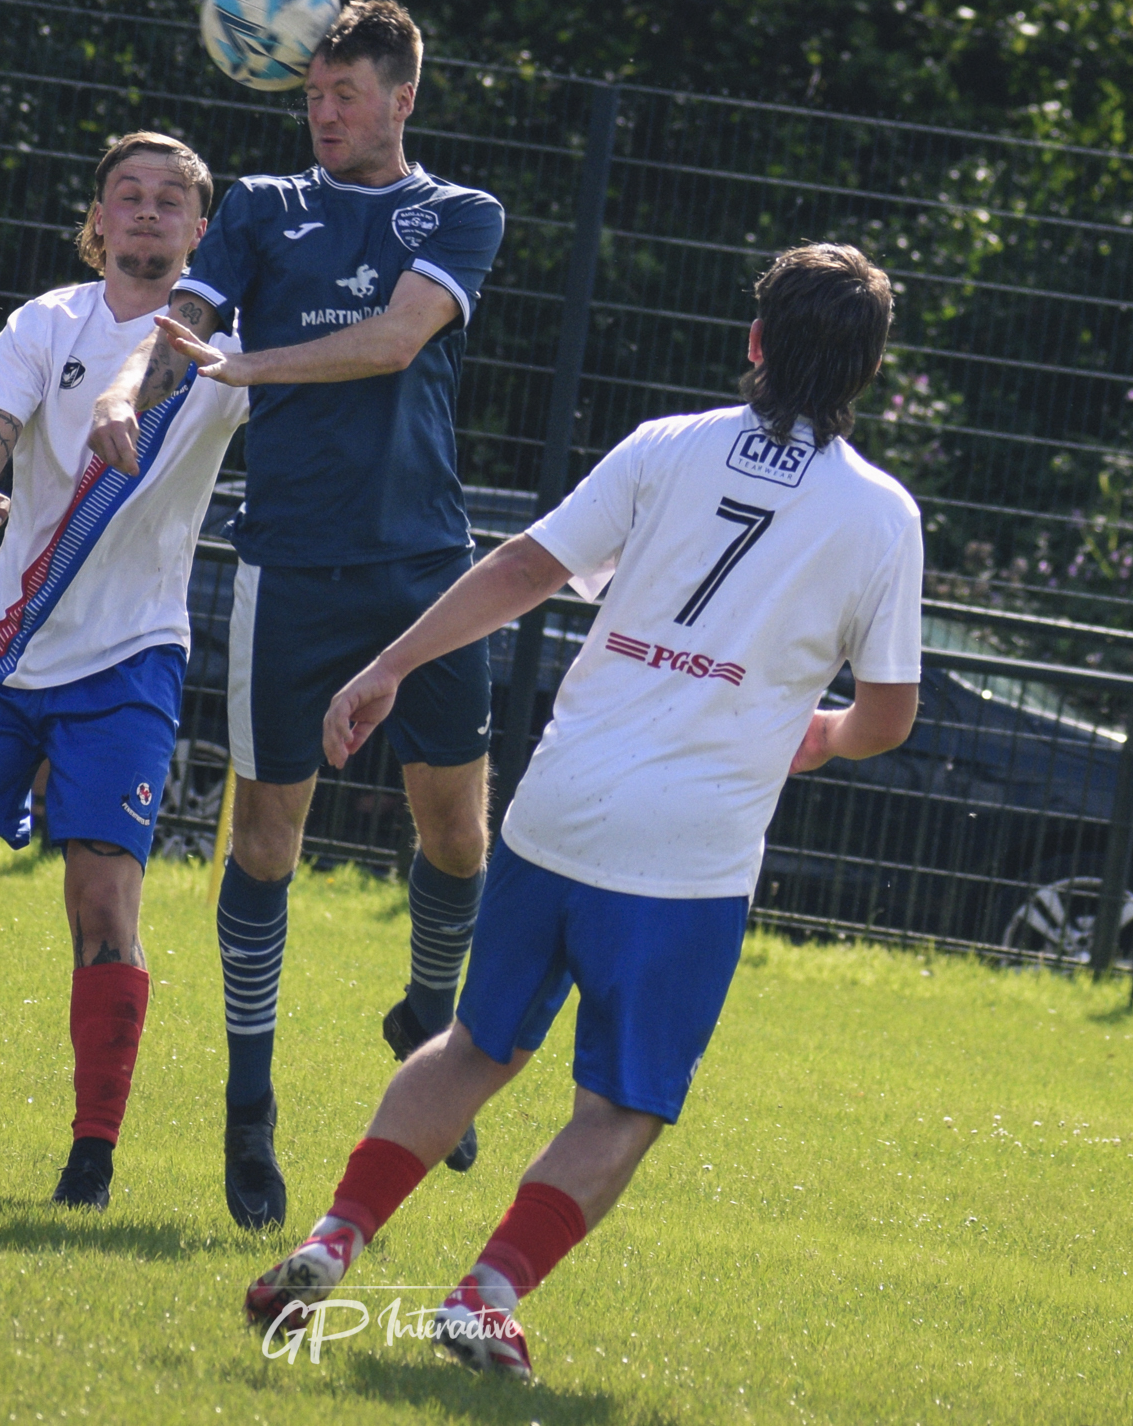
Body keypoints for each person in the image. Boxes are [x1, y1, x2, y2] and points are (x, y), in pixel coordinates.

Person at [242, 243, 924, 1379]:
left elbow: (524, 565)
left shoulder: (667, 443)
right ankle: (488, 1288)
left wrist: (389, 666)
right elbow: (890, 713)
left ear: (754, 342)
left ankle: (334, 1235)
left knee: (477, 1042)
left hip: (556, 811)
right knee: (624, 1100)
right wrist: (831, 731)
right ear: (868, 369)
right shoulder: (880, 513)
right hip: (687, 855)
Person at [89, 0, 505, 1228]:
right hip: (289, 567)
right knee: (265, 841)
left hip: (427, 569)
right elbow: (179, 328)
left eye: (344, 96)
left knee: (457, 837)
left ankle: (429, 1020)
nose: (322, 115)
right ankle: (249, 1105)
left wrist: (245, 369)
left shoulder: (459, 214)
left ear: (400, 99)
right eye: (311, 96)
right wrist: (126, 389)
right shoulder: (265, 207)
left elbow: (391, 342)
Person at [0, 131, 247, 1213]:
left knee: (102, 897)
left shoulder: (225, 350)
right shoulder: (45, 321)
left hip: (130, 656)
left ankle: (90, 1160)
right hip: (0, 646)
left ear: (202, 230)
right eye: (129, 195)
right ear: (98, 220)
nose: (150, 212)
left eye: (173, 199)